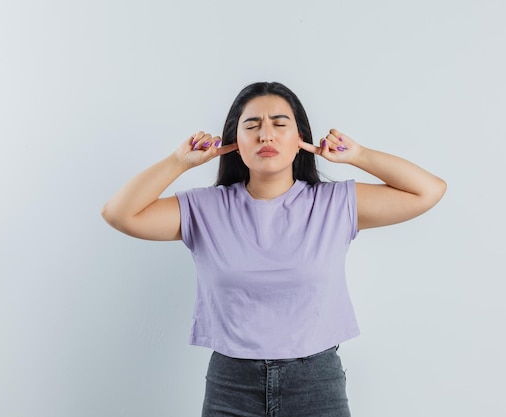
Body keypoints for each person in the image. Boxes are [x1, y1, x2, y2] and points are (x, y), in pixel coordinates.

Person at [101, 81, 446, 417]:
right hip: (231, 385)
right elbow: (119, 214)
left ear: (300, 140)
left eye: (280, 124)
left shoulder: (334, 203)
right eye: (252, 125)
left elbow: (427, 191)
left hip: (316, 384)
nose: (266, 134)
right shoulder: (205, 209)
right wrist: (179, 161)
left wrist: (359, 156)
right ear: (236, 141)